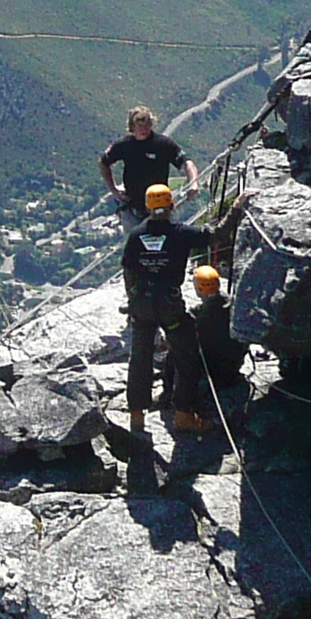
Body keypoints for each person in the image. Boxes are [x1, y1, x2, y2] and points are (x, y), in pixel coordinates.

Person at [120, 181, 201, 437]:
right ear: (171, 205)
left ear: (147, 206)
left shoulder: (136, 235)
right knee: (186, 354)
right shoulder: (180, 232)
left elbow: (128, 270)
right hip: (170, 306)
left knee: (140, 356)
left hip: (142, 305)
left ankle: (136, 415)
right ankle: (184, 414)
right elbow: (216, 234)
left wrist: (132, 300)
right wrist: (239, 205)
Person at [170, 266, 252, 424]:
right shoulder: (233, 306)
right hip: (232, 367)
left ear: (198, 288)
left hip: (212, 370)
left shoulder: (201, 317)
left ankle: (170, 395)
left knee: (177, 349)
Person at [98, 106, 191, 231]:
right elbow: (103, 162)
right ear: (132, 127)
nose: (144, 129)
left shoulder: (163, 144)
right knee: (136, 245)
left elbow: (187, 163)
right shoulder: (124, 145)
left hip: (160, 207)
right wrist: (113, 190)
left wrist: (193, 182)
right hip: (133, 207)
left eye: (147, 124)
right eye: (140, 125)